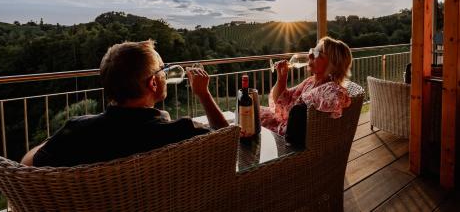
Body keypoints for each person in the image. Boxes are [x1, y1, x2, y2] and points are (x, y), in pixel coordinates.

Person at [21, 40, 228, 167]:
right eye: (162, 69)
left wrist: (52, 140)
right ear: (153, 82)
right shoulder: (179, 132)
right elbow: (227, 141)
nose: (165, 73)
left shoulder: (76, 132)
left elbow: (26, 164)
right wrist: (203, 93)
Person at [260, 36, 352, 136]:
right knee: (251, 111)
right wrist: (281, 78)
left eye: (317, 53)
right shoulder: (310, 81)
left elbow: (337, 95)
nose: (310, 55)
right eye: (312, 50)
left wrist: (306, 99)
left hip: (289, 136)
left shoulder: (330, 88)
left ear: (333, 64)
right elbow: (282, 101)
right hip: (285, 124)